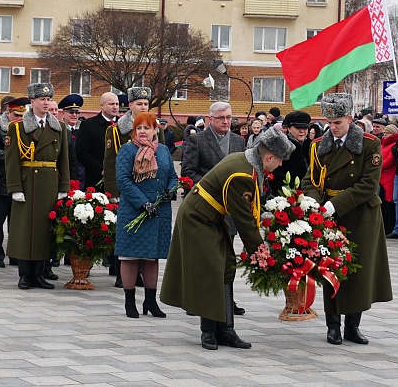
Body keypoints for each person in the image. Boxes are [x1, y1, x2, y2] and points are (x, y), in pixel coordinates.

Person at [161, 127, 294, 350]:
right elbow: (243, 220)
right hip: (198, 218)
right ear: (269, 156)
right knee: (211, 269)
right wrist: (260, 252)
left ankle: (226, 329)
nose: (280, 166)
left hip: (210, 217)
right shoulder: (242, 175)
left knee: (226, 266)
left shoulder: (247, 161)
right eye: (280, 161)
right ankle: (209, 331)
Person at [303, 92, 392, 346]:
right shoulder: (318, 145)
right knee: (330, 267)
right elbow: (310, 179)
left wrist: (334, 205)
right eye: (329, 122)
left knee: (358, 270)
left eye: (338, 122)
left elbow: (368, 184)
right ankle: (333, 326)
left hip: (361, 214)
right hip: (328, 215)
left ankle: (353, 325)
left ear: (350, 119)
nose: (332, 127)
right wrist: (315, 204)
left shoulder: (369, 142)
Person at [5, 82, 70, 290]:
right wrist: (15, 187)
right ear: (32, 102)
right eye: (42, 99)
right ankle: (24, 275)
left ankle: (40, 274)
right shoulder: (18, 127)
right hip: (27, 181)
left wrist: (63, 186)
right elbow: (11, 160)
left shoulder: (58, 127)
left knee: (44, 229)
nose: (45, 102)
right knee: (25, 230)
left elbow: (64, 159)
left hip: (48, 182)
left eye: (48, 99)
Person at [115, 112, 177, 319]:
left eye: (147, 128)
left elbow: (172, 176)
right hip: (134, 210)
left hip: (159, 211)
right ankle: (129, 301)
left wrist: (171, 190)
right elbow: (123, 181)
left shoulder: (164, 151)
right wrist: (143, 203)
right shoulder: (127, 150)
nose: (142, 132)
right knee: (130, 256)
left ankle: (151, 301)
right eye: (139, 128)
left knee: (152, 257)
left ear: (155, 131)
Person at [103, 87, 164, 287]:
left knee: (146, 235)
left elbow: (161, 158)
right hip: (128, 190)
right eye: (139, 104)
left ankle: (140, 276)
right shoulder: (117, 130)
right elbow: (110, 163)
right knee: (126, 235)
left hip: (150, 190)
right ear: (130, 106)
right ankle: (123, 275)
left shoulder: (156, 129)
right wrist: (112, 191)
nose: (143, 107)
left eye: (146, 104)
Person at [0, 97, 29, 267]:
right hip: (2, 179)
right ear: (8, 112)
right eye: (16, 115)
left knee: (17, 222)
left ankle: (15, 254)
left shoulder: (26, 128)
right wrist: (18, 155)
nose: (19, 118)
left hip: (20, 181)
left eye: (22, 115)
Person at [75, 92, 118, 190]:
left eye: (117, 104)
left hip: (120, 180)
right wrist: (101, 169)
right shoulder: (88, 125)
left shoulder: (123, 124)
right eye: (111, 104)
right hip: (96, 180)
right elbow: (81, 152)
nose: (115, 107)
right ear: (102, 106)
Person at [270, 110, 311, 196]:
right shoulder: (282, 146)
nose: (302, 131)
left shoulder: (312, 145)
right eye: (298, 128)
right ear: (289, 128)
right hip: (288, 194)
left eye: (305, 128)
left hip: (310, 193)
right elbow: (277, 175)